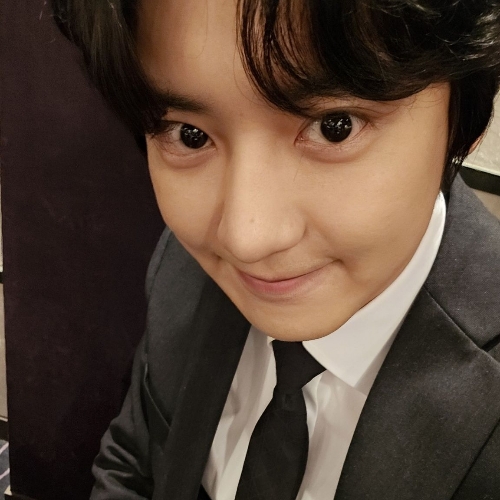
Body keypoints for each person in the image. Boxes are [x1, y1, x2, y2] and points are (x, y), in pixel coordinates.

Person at [53, 1, 500, 499]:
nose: (246, 239)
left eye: (335, 126)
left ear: (465, 115)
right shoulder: (182, 267)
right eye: (190, 135)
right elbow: (134, 460)